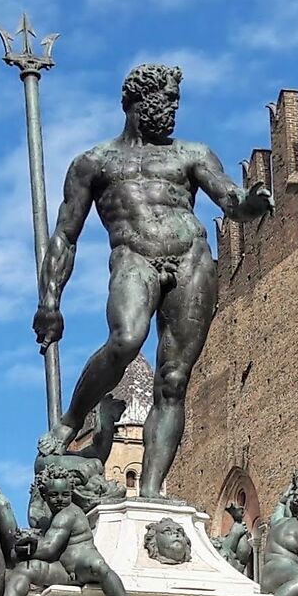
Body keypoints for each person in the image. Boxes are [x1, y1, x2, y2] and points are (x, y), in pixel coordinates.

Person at [31, 64, 273, 495]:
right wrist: (50, 302)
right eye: (167, 99)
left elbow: (230, 200)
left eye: (178, 100)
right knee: (126, 338)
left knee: (174, 380)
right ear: (137, 102)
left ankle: (150, 492)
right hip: (133, 257)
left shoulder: (192, 154)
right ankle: (72, 419)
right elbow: (65, 235)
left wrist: (250, 203)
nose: (174, 109)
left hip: (192, 261)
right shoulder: (93, 163)